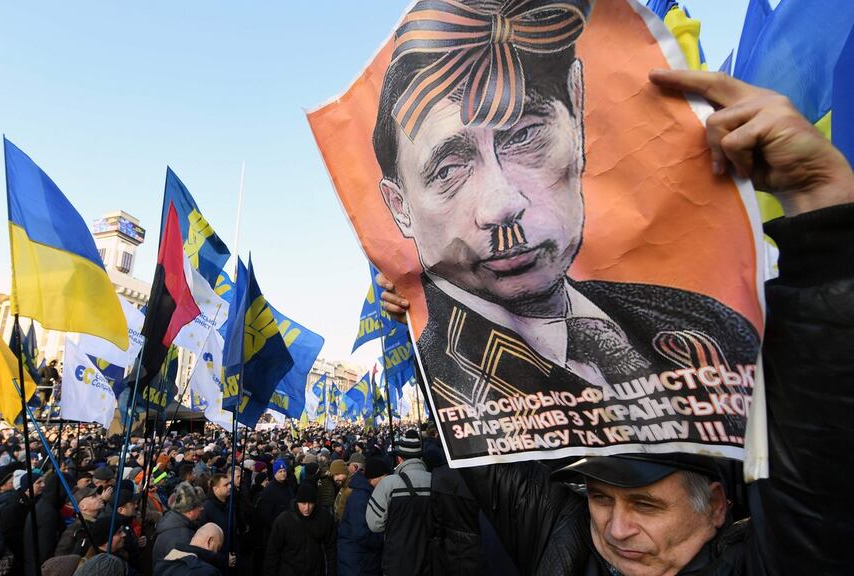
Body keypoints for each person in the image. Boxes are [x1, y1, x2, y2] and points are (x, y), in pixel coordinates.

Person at [376, 67, 854, 574]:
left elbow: (820, 454)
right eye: (601, 498)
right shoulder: (566, 544)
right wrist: (423, 307)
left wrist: (820, 205)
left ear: (717, 506)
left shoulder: (706, 324)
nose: (615, 527)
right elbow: (489, 447)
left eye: (646, 503)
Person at [371, 0, 761, 460]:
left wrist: (818, 210)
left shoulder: (711, 328)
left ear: (577, 109)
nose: (501, 206)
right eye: (449, 168)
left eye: (522, 136)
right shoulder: (452, 379)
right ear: (401, 207)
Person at [366, 430, 432, 576]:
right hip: (430, 558)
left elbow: (374, 524)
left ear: (399, 459)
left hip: (397, 560)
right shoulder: (436, 481)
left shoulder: (388, 484)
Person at [264, 483, 337, 576]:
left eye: (310, 503)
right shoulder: (283, 520)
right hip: (290, 570)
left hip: (316, 570)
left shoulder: (324, 518)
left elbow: (331, 547)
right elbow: (272, 551)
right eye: (303, 503)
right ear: (297, 502)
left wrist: (331, 571)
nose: (307, 508)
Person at [337, 458, 387, 576]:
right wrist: (385, 539)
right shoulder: (360, 498)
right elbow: (361, 534)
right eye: (385, 477)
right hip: (357, 562)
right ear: (376, 478)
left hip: (362, 559)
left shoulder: (366, 492)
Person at [153, 483, 205, 566]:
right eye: (199, 506)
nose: (202, 508)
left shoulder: (171, 520)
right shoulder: (182, 538)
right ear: (190, 510)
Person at [155, 523, 224, 576]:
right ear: (210, 541)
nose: (215, 553)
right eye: (217, 548)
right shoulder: (208, 572)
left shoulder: (161, 565)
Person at [55, 488, 106, 557]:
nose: (100, 497)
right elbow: (61, 554)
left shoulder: (92, 523)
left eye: (98, 494)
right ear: (82, 507)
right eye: (94, 497)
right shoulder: (77, 528)